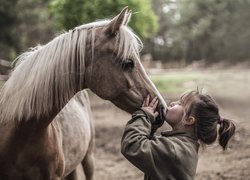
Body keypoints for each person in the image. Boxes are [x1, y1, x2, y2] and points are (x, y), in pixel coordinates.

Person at [121, 90, 236, 180]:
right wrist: (151, 126)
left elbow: (132, 145)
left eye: (180, 103)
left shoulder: (174, 150)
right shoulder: (183, 146)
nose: (172, 103)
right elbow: (151, 148)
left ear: (189, 120)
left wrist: (143, 116)